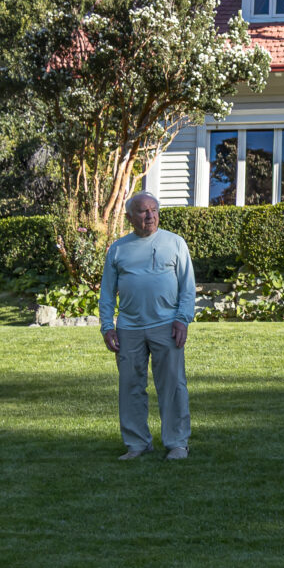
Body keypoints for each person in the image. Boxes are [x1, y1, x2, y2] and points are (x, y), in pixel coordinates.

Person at [100, 191, 196, 460]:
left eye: (154, 210)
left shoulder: (175, 243)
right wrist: (107, 326)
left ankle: (177, 443)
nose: (150, 215)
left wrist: (182, 319)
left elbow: (187, 287)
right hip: (129, 329)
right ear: (130, 217)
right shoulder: (118, 249)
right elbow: (107, 293)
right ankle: (137, 444)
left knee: (173, 386)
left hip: (167, 325)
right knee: (130, 386)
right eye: (143, 211)